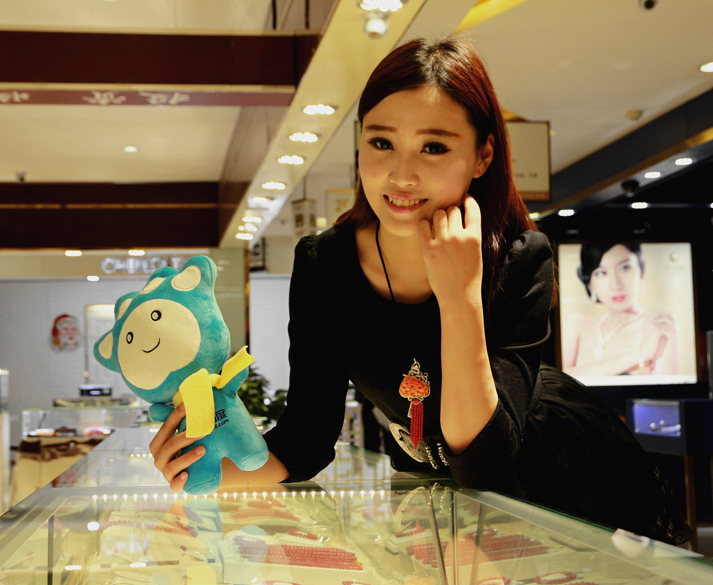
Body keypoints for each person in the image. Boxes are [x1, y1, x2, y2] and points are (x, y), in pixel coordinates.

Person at [150, 37, 691, 545]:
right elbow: (306, 439)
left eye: (433, 147)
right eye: (381, 142)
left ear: (482, 156)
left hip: (563, 479)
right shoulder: (325, 264)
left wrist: (459, 298)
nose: (401, 175)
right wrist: (204, 468)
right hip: (428, 490)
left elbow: (485, 461)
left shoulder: (521, 256)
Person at [563, 243, 678, 377]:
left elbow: (665, 389)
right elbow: (558, 379)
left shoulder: (658, 325)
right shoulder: (575, 322)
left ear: (641, 270)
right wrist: (640, 354)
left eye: (625, 268)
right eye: (601, 273)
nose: (616, 285)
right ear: (590, 283)